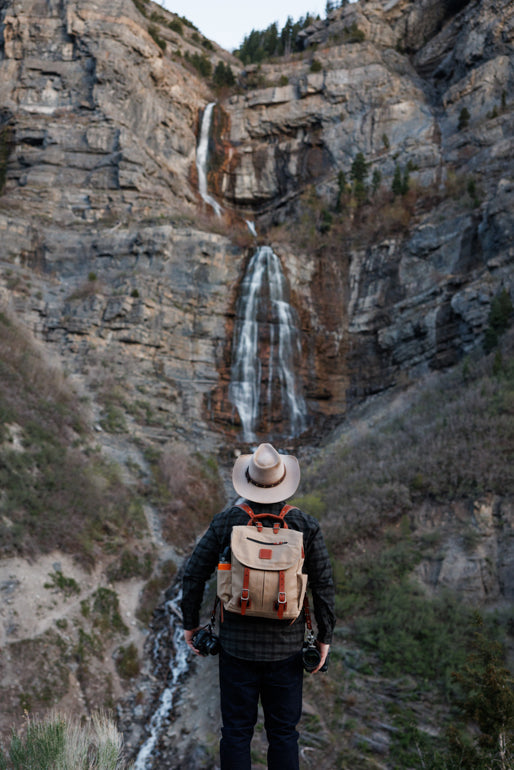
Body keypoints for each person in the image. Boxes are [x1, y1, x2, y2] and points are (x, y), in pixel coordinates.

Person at [181, 442, 335, 770]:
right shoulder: (305, 526)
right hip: (287, 650)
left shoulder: (226, 522)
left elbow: (193, 573)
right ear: (284, 483)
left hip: (237, 649)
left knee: (236, 732)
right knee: (283, 734)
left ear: (248, 483)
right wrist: (324, 637)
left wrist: (189, 624)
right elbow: (323, 586)